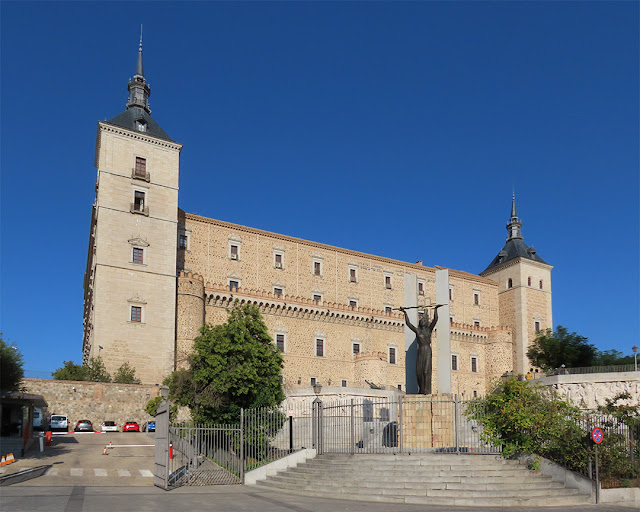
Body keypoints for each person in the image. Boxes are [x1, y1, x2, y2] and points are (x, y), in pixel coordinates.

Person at [399, 304, 444, 395]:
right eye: (421, 320)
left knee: (426, 371)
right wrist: (405, 313)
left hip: (427, 350)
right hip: (420, 351)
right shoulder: (418, 331)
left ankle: (426, 391)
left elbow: (435, 320)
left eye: (424, 320)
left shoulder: (429, 330)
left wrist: (435, 310)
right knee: (419, 372)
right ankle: (421, 390)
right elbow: (408, 324)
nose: (422, 321)